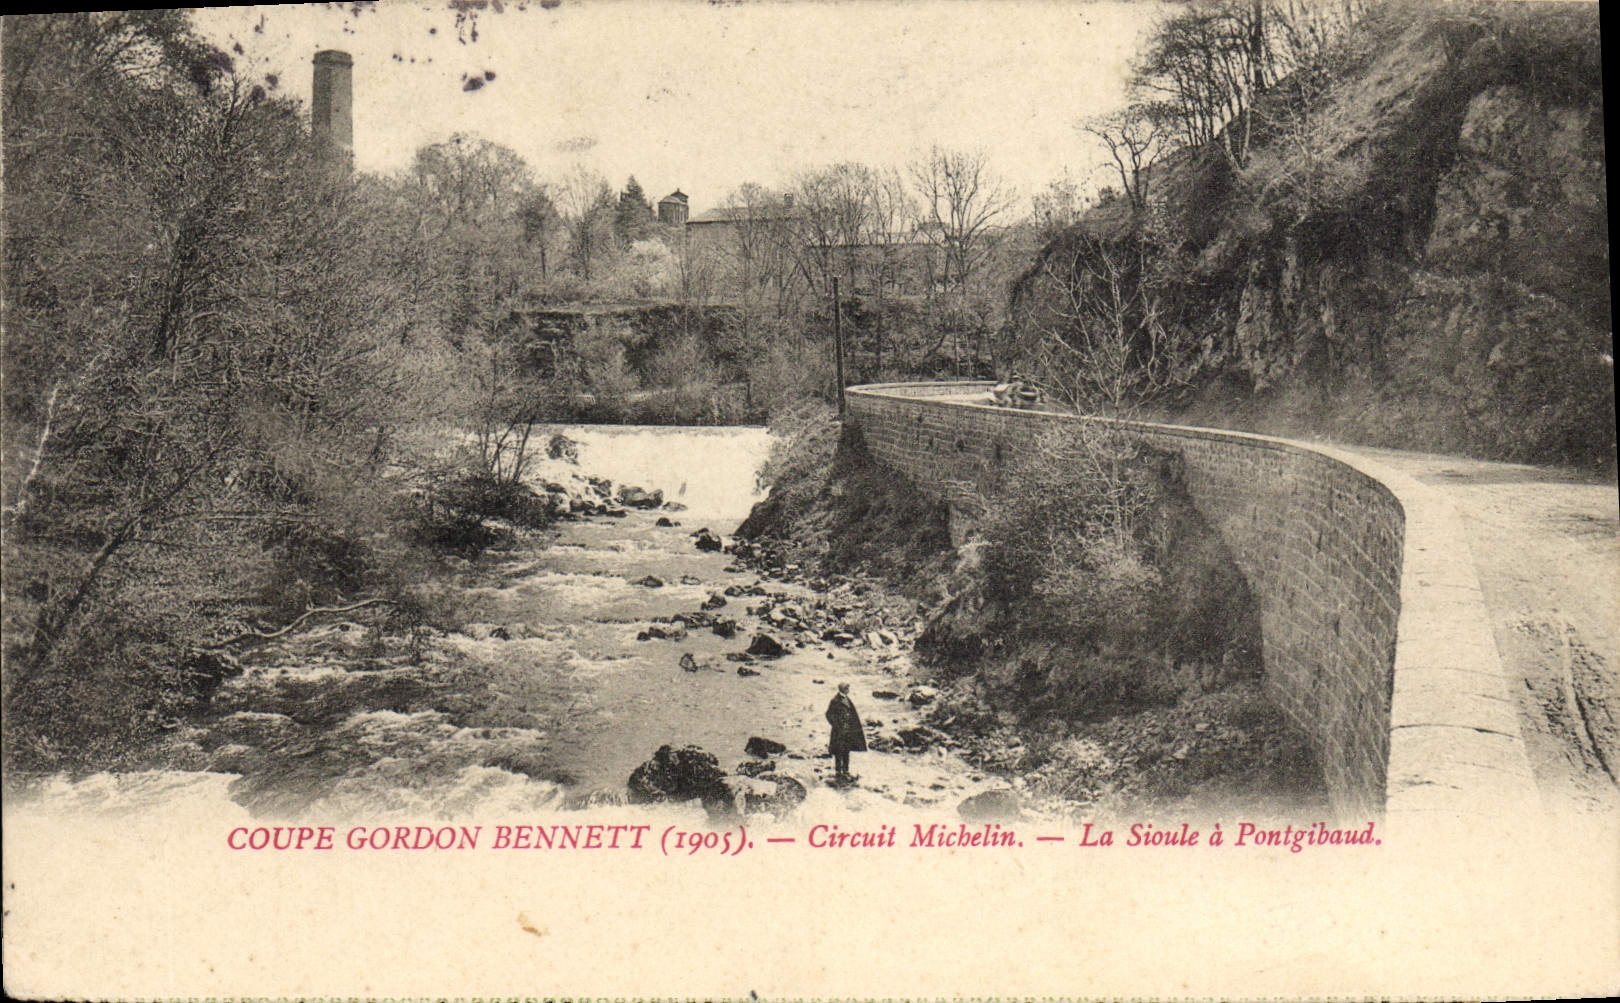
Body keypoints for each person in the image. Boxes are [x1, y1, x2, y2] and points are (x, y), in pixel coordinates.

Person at [825, 682, 866, 783]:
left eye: (848, 688)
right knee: (838, 752)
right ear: (842, 689)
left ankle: (846, 771)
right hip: (839, 732)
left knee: (846, 751)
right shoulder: (835, 701)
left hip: (848, 732)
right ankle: (838, 772)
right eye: (847, 688)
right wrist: (837, 726)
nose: (849, 689)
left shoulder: (847, 699)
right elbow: (828, 714)